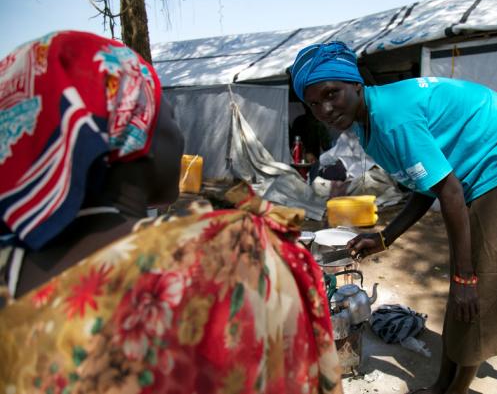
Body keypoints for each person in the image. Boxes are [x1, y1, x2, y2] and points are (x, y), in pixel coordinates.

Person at [0, 31, 342, 394]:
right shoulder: (232, 254)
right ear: (134, 134)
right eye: (170, 117)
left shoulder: (10, 271)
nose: (179, 138)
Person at [290, 41, 497, 394]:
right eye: (314, 103)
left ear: (355, 84)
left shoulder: (392, 119)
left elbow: (449, 192)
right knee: (465, 285)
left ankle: (454, 390)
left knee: (477, 284)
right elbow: (425, 185)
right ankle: (443, 383)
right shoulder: (365, 125)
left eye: (331, 93)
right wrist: (384, 238)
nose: (325, 109)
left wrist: (464, 279)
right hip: (478, 166)